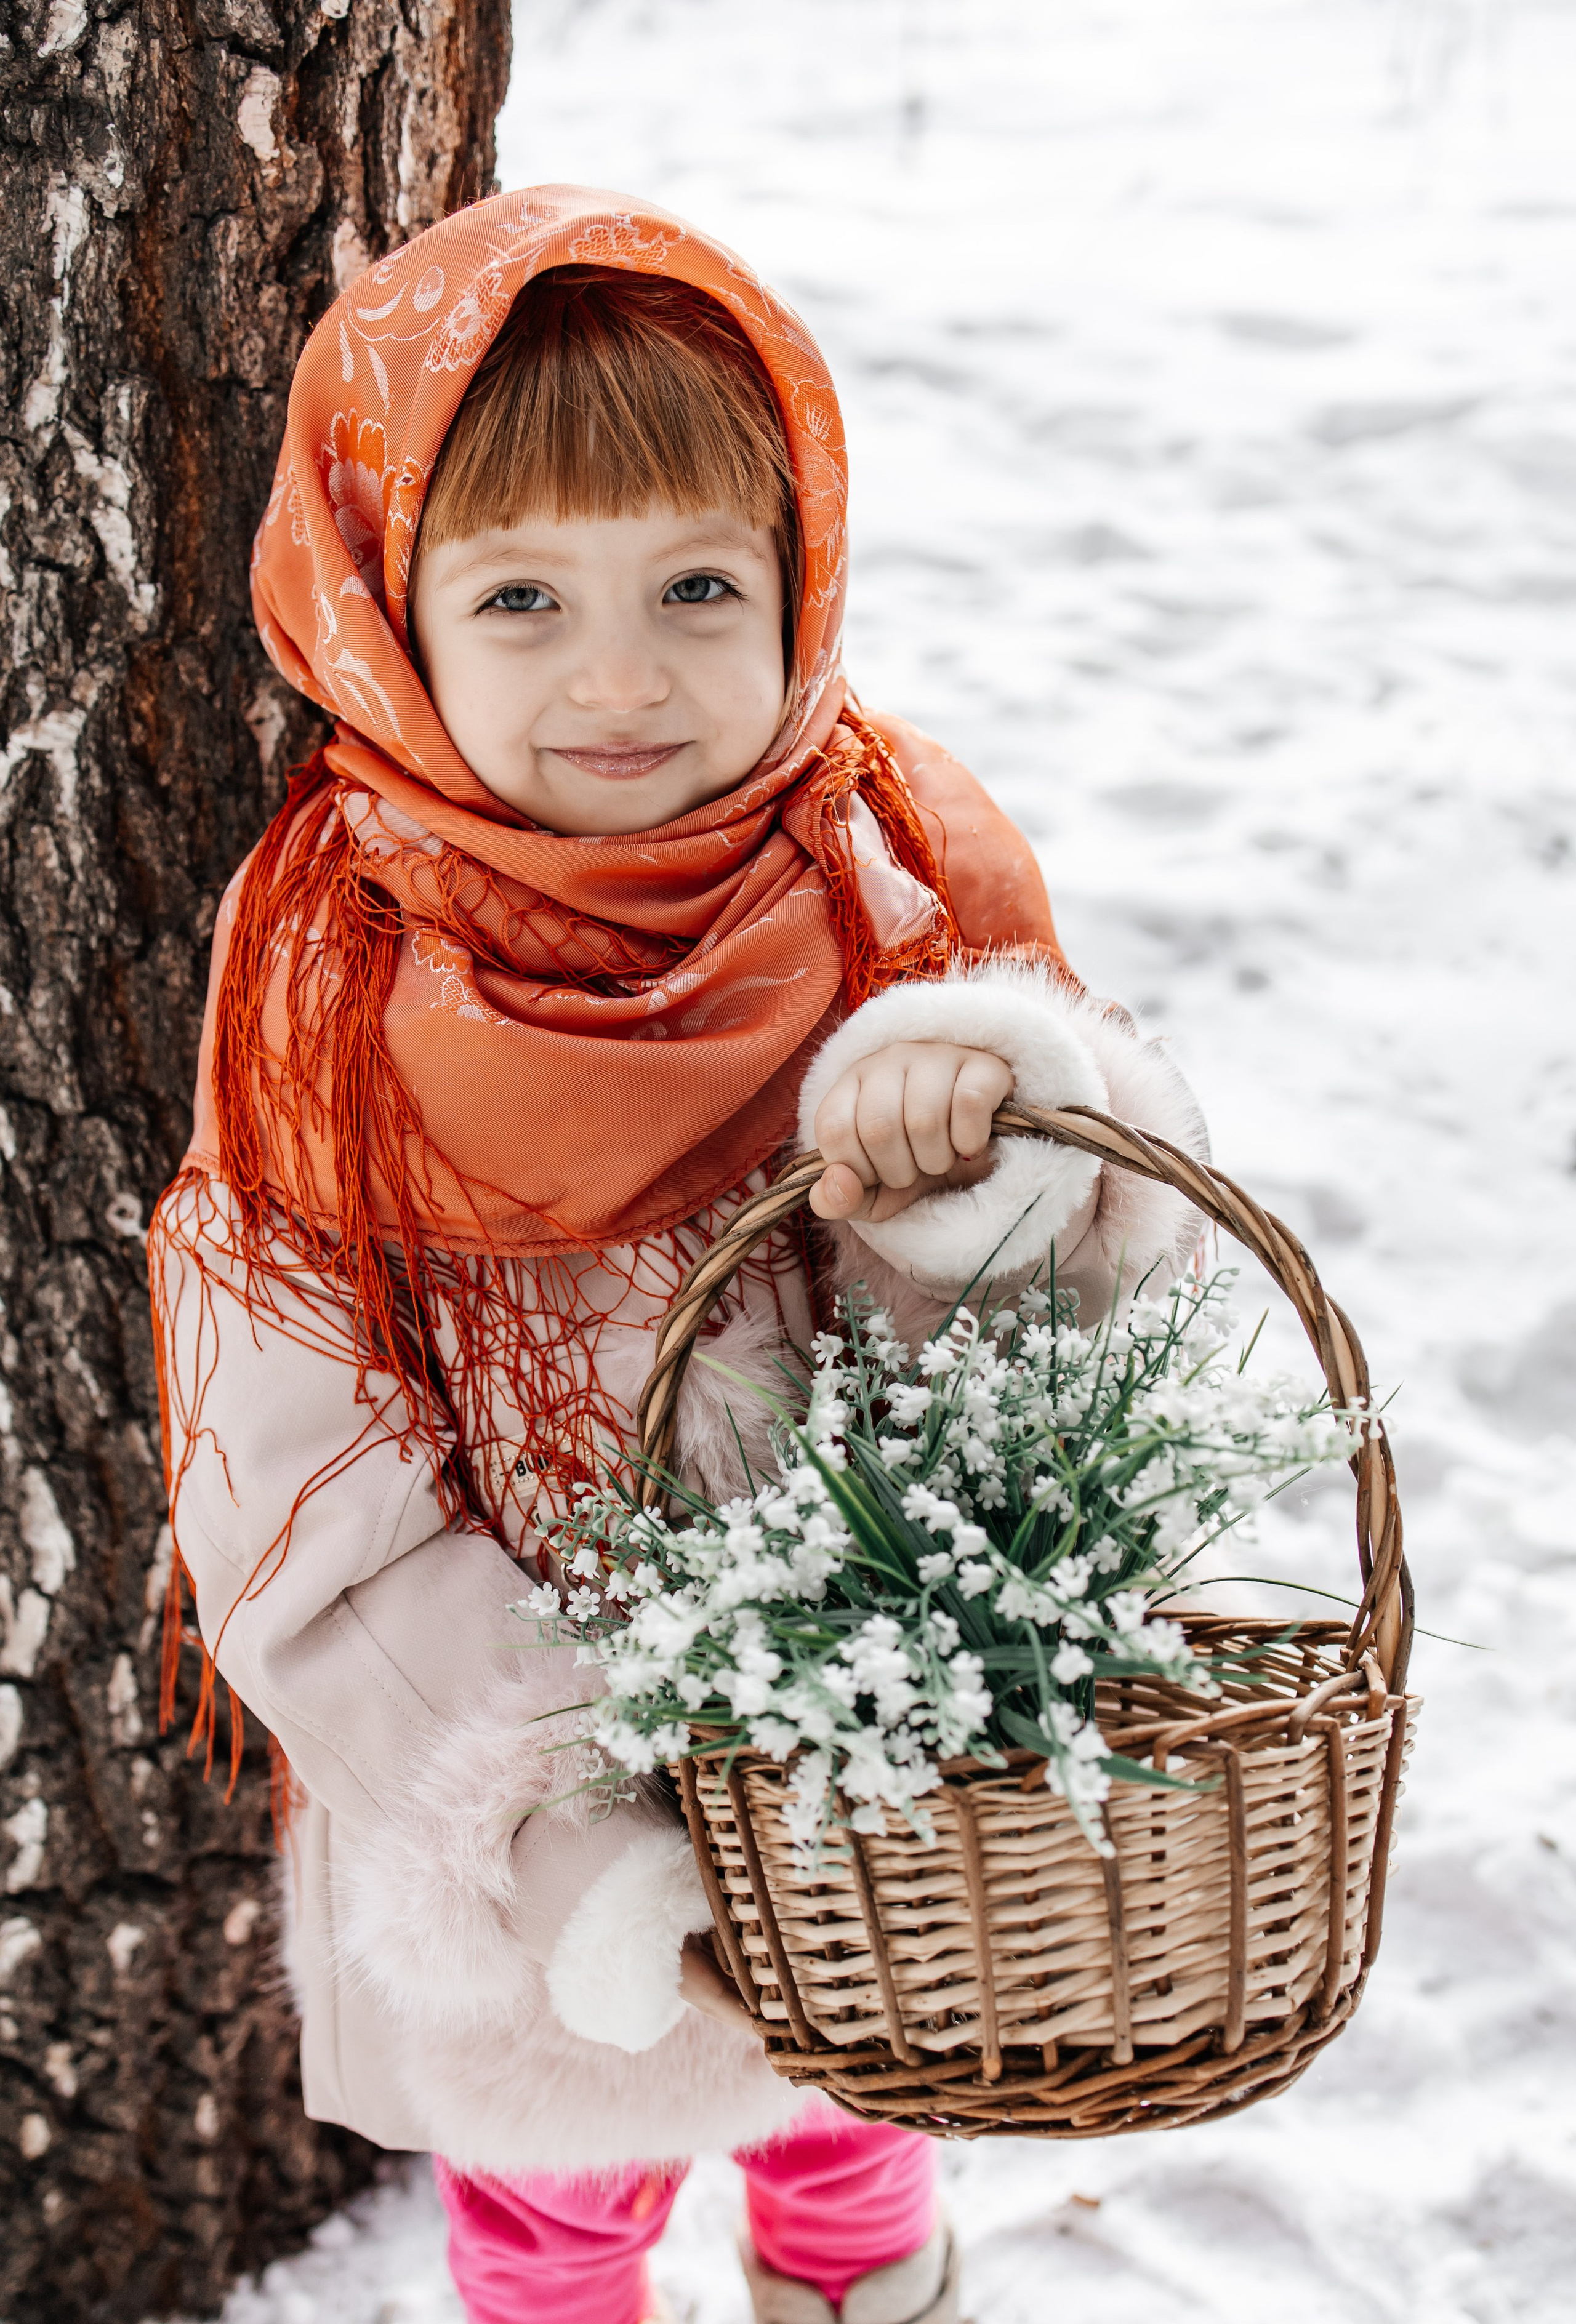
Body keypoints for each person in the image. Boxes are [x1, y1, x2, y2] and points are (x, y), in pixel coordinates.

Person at [149, 188, 1206, 2324]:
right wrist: (568, 1838)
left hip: (874, 1790)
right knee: (559, 2201)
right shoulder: (320, 999)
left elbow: (1099, 1355)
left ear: (802, 586)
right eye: (522, 594)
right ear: (383, 618)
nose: (622, 677)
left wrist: (977, 1175)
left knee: (863, 2130)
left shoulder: (900, 892)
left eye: (699, 585)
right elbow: (298, 1480)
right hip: (547, 1838)